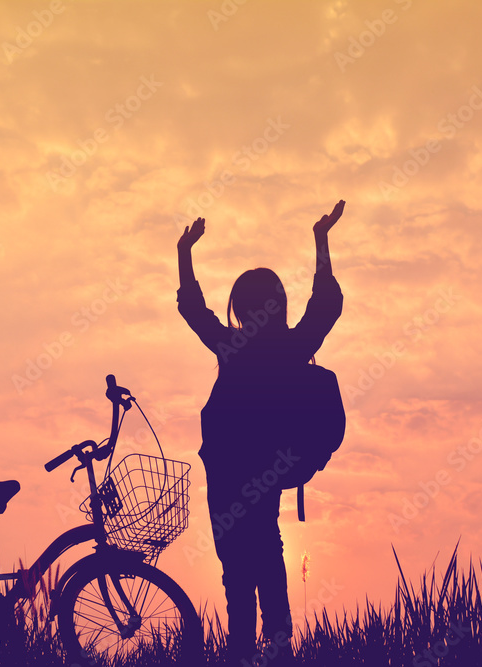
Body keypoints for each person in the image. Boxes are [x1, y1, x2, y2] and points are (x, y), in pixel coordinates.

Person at [176, 201, 345, 665]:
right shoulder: (292, 346)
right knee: (267, 549)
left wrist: (184, 253)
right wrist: (321, 240)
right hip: (268, 470)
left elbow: (193, 309)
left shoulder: (232, 348)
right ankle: (276, 645)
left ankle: (243, 652)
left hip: (230, 473)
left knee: (238, 567)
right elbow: (327, 305)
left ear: (240, 307)